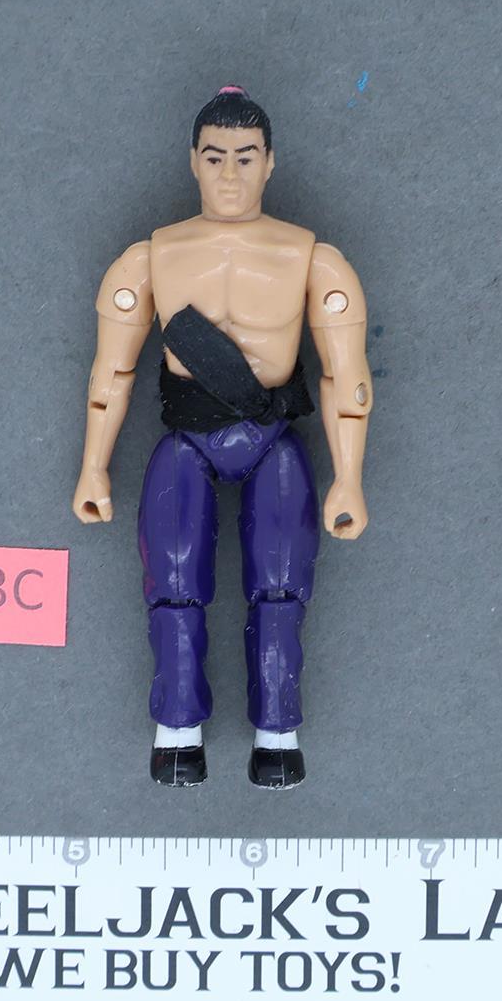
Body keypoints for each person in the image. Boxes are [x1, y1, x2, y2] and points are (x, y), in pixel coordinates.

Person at [72, 86, 372, 789]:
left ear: (270, 162)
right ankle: (177, 731)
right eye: (215, 158)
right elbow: (111, 370)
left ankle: (278, 733)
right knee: (173, 577)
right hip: (189, 437)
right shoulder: (150, 257)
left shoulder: (311, 258)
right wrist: (93, 466)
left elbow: (345, 375)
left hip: (272, 436)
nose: (230, 174)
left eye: (244, 157)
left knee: (282, 583)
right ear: (193, 163)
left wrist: (349, 477)